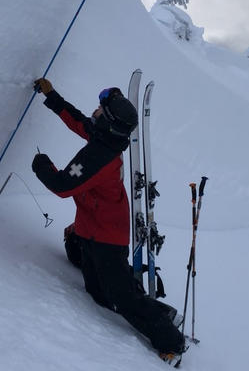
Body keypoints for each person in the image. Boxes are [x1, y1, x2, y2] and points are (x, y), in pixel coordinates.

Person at [30, 77, 186, 361]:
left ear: (108, 121)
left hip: (107, 236)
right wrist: (52, 97)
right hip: (91, 227)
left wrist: (42, 165)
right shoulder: (106, 136)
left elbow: (63, 186)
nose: (95, 111)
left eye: (100, 109)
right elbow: (78, 121)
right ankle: (153, 305)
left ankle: (171, 341)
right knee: (97, 292)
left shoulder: (99, 156)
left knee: (120, 298)